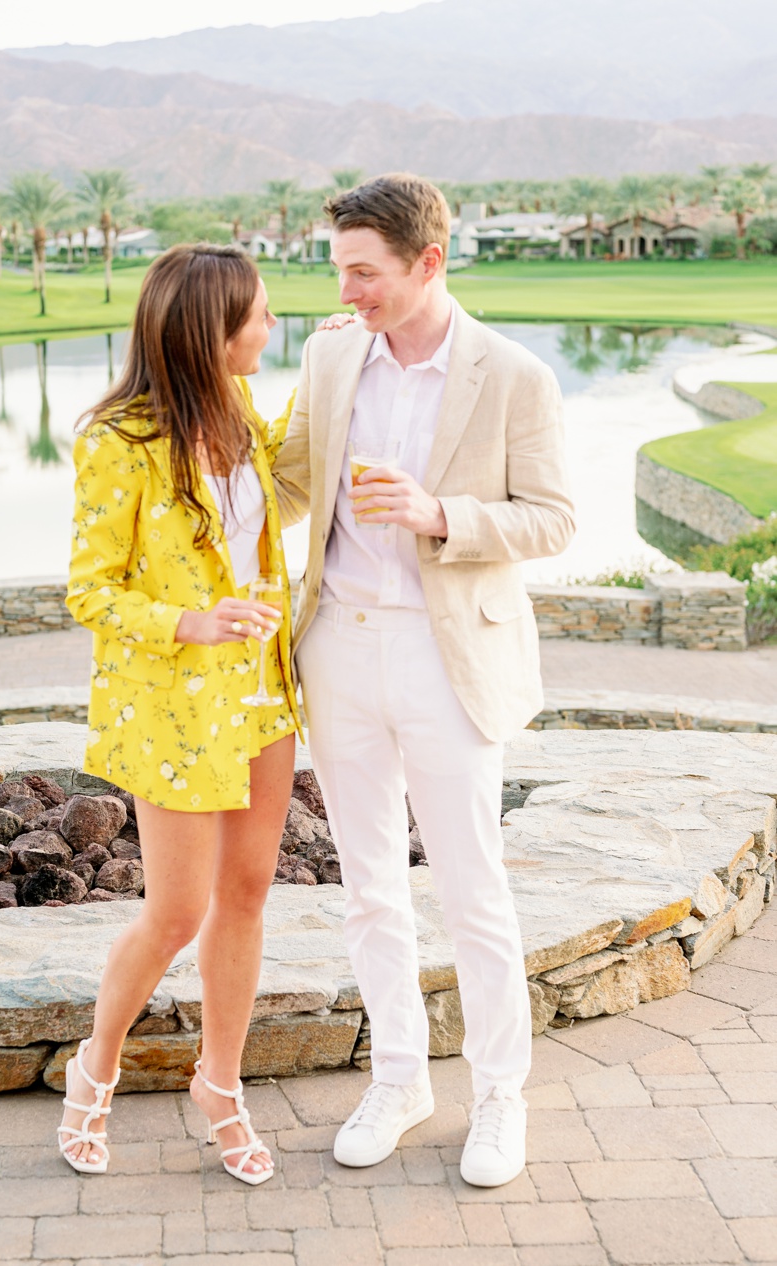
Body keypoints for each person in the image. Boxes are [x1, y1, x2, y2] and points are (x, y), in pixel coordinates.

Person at [271, 172, 574, 1188]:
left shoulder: (512, 375)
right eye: (338, 271)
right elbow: (283, 478)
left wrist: (442, 513)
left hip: (449, 658)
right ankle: (398, 1078)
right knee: (365, 887)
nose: (346, 290)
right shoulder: (327, 355)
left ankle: (498, 1098)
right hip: (338, 649)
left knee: (470, 887)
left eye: (364, 272)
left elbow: (552, 517)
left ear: (427, 263)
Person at [57, 243, 301, 1183]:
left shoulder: (238, 414)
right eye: (261, 315)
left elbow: (294, 476)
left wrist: (335, 362)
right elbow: (90, 591)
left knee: (245, 900)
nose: (270, 329)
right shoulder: (116, 441)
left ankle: (221, 1087)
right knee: (176, 913)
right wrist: (191, 621)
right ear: (211, 327)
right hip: (174, 708)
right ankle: (94, 1073)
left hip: (264, 698)